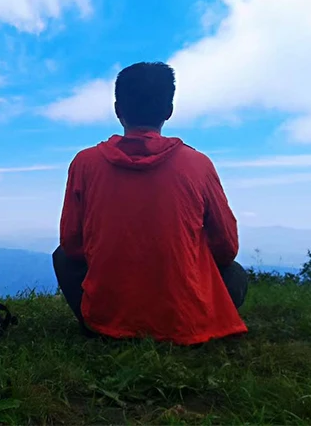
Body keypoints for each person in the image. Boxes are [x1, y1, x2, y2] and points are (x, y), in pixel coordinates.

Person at [52, 62, 249, 345]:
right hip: (185, 322)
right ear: (169, 110)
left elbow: (72, 244)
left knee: (62, 257)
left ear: (118, 109)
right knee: (235, 274)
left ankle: (99, 325)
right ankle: (194, 321)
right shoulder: (198, 165)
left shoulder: (85, 163)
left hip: (108, 319)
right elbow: (226, 248)